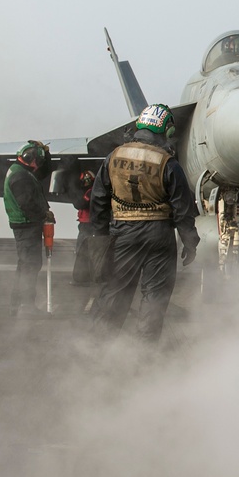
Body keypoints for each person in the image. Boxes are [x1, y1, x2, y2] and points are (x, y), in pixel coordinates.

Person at [87, 103, 200, 342]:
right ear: (166, 130)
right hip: (159, 236)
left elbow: (98, 199)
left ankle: (96, 352)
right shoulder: (168, 163)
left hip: (123, 234)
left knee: (115, 291)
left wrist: (99, 236)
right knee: (155, 296)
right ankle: (144, 358)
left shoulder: (113, 157)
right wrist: (190, 243)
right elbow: (183, 209)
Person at [3, 140, 55, 317]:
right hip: (26, 226)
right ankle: (26, 307)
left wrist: (46, 154)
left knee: (25, 265)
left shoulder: (22, 171)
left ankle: (18, 306)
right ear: (28, 158)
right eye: (36, 161)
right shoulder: (21, 178)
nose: (37, 165)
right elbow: (26, 203)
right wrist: (44, 214)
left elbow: (44, 172)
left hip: (25, 225)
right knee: (30, 266)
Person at [70, 170, 96, 285]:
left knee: (83, 250)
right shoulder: (91, 191)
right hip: (87, 223)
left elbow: (80, 204)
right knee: (84, 250)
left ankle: (83, 277)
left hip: (89, 224)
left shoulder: (89, 192)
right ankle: (84, 276)